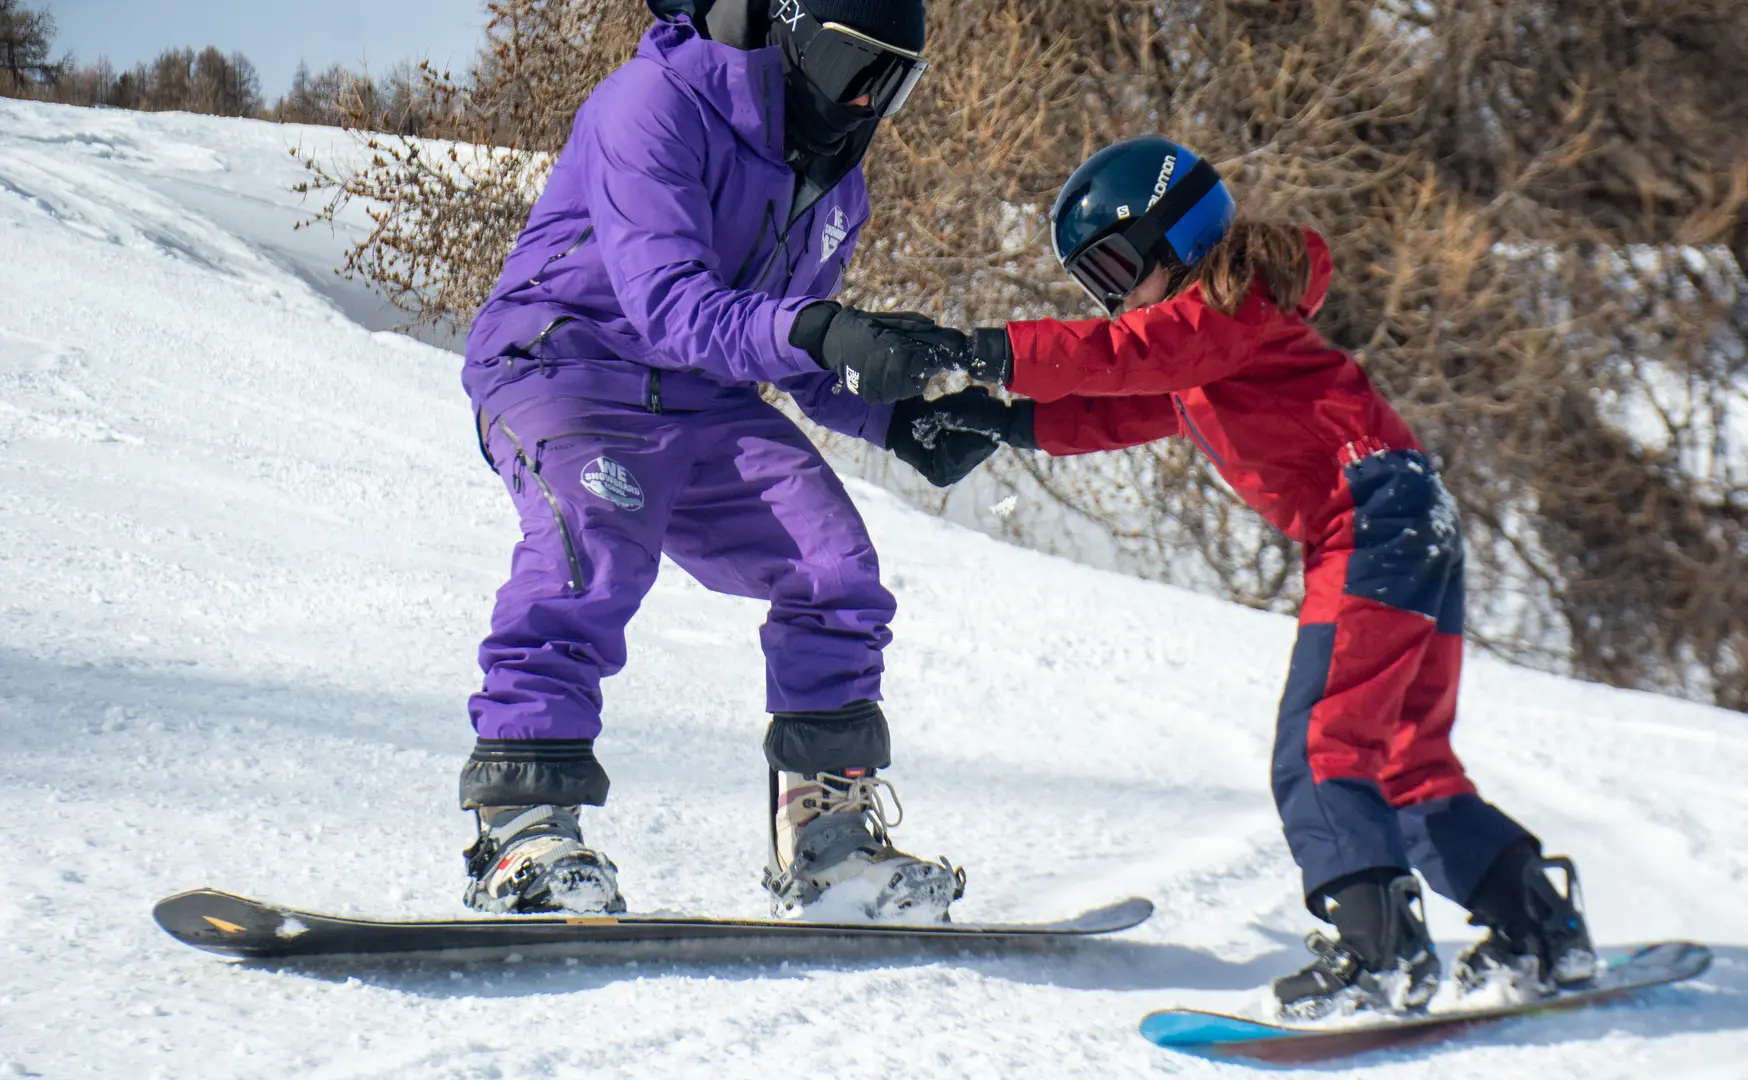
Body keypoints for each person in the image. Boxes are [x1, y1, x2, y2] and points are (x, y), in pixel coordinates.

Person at [827, 136, 1598, 1015]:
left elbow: (1127, 356)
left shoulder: (1226, 313)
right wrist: (1002, 419)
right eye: (1095, 282)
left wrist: (980, 350)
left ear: (1181, 236)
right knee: (1400, 761)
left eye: (1118, 267)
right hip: (1405, 519)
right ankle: (1538, 926)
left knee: (1322, 747)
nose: (1114, 297)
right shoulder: (1217, 341)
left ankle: (1380, 951)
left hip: (1372, 519)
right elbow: (1120, 407)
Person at [455, 0, 994, 922]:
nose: (868, 103)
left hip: (703, 397)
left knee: (834, 569)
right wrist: (822, 330)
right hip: (570, 364)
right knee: (593, 549)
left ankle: (830, 849)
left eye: (895, 83)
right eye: (853, 68)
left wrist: (903, 417)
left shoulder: (836, 183)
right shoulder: (653, 105)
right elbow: (671, 304)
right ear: (786, 35)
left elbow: (794, 350)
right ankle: (524, 830)